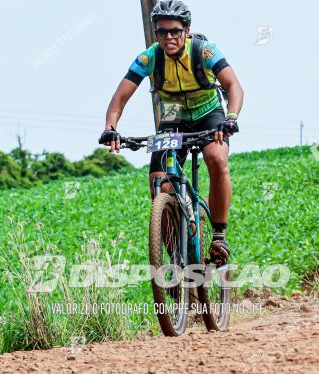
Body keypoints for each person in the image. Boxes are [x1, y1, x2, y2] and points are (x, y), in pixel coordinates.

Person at [98, 0, 244, 265]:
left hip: (208, 115)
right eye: (161, 31)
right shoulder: (149, 57)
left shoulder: (205, 51)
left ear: (186, 30)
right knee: (158, 182)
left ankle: (219, 236)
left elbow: (234, 86)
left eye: (174, 31)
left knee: (217, 159)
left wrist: (231, 118)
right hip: (172, 118)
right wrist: (111, 128)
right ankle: (174, 255)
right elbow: (119, 98)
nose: (168, 37)